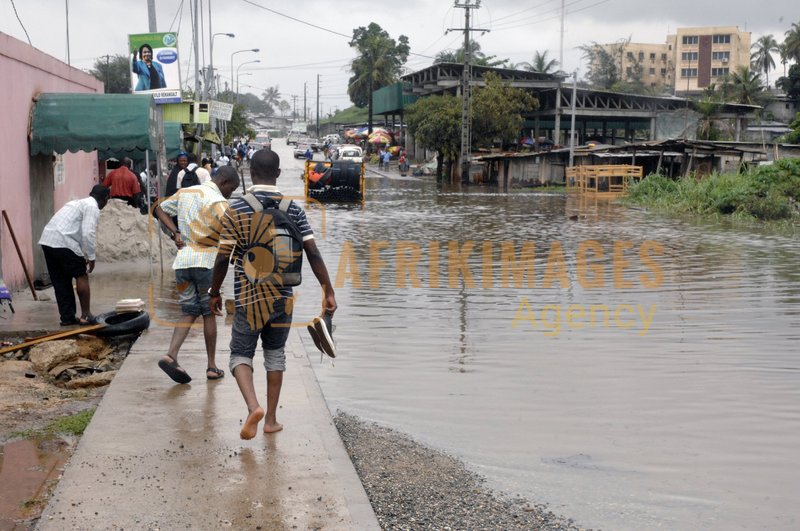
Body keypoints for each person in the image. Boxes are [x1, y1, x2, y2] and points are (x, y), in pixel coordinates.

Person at [208, 148, 337, 439]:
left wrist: (214, 292)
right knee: (275, 354)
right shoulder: (293, 208)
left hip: (248, 295)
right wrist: (328, 291)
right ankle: (271, 421)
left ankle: (254, 407)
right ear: (278, 174)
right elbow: (313, 253)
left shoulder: (237, 209)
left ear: (250, 174)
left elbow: (222, 258)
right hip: (283, 295)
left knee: (240, 353)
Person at [153, 166, 241, 384]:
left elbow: (158, 209)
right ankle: (212, 366)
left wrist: (175, 231)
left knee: (188, 311)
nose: (231, 194)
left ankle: (171, 354)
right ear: (225, 182)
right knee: (209, 312)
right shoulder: (220, 202)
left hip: (183, 262)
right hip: (206, 263)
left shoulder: (186, 192)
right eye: (232, 189)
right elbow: (234, 232)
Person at [38, 185, 110, 326]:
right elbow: (88, 232)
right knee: (81, 275)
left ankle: (67, 318)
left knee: (61, 281)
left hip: (48, 240)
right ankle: (86, 315)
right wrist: (91, 257)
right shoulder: (92, 207)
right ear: (105, 199)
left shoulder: (76, 203)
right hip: (64, 241)